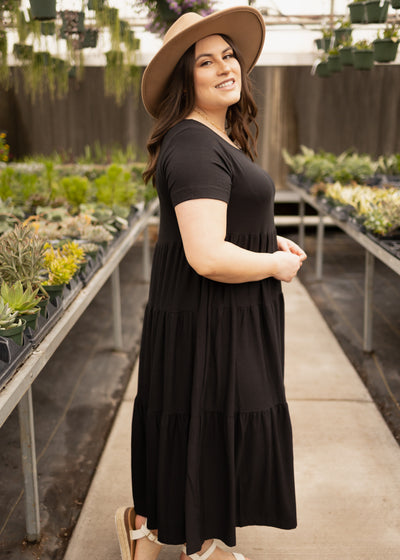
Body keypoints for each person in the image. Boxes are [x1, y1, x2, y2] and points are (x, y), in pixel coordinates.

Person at [115, 6, 307, 560]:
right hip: (209, 314)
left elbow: (223, 228)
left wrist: (269, 245)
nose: (225, 67)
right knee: (209, 421)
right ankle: (197, 546)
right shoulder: (195, 143)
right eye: (206, 60)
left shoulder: (211, 137)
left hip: (213, 313)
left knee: (201, 418)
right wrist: (272, 267)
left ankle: (147, 529)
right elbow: (205, 255)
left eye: (229, 55)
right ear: (185, 79)